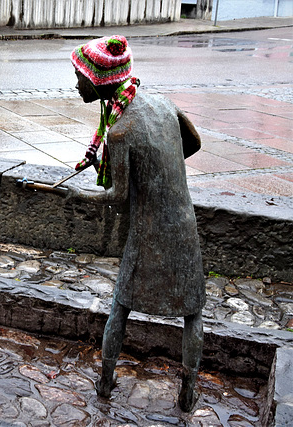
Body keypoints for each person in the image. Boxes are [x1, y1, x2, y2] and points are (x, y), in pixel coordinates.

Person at [66, 36, 205, 412]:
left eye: (79, 77)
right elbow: (192, 142)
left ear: (98, 80)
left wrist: (79, 197)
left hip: (148, 233)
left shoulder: (120, 130)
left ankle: (106, 381)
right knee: (192, 312)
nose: (76, 84)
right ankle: (188, 393)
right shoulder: (161, 103)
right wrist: (161, 166)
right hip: (184, 224)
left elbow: (117, 196)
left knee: (120, 307)